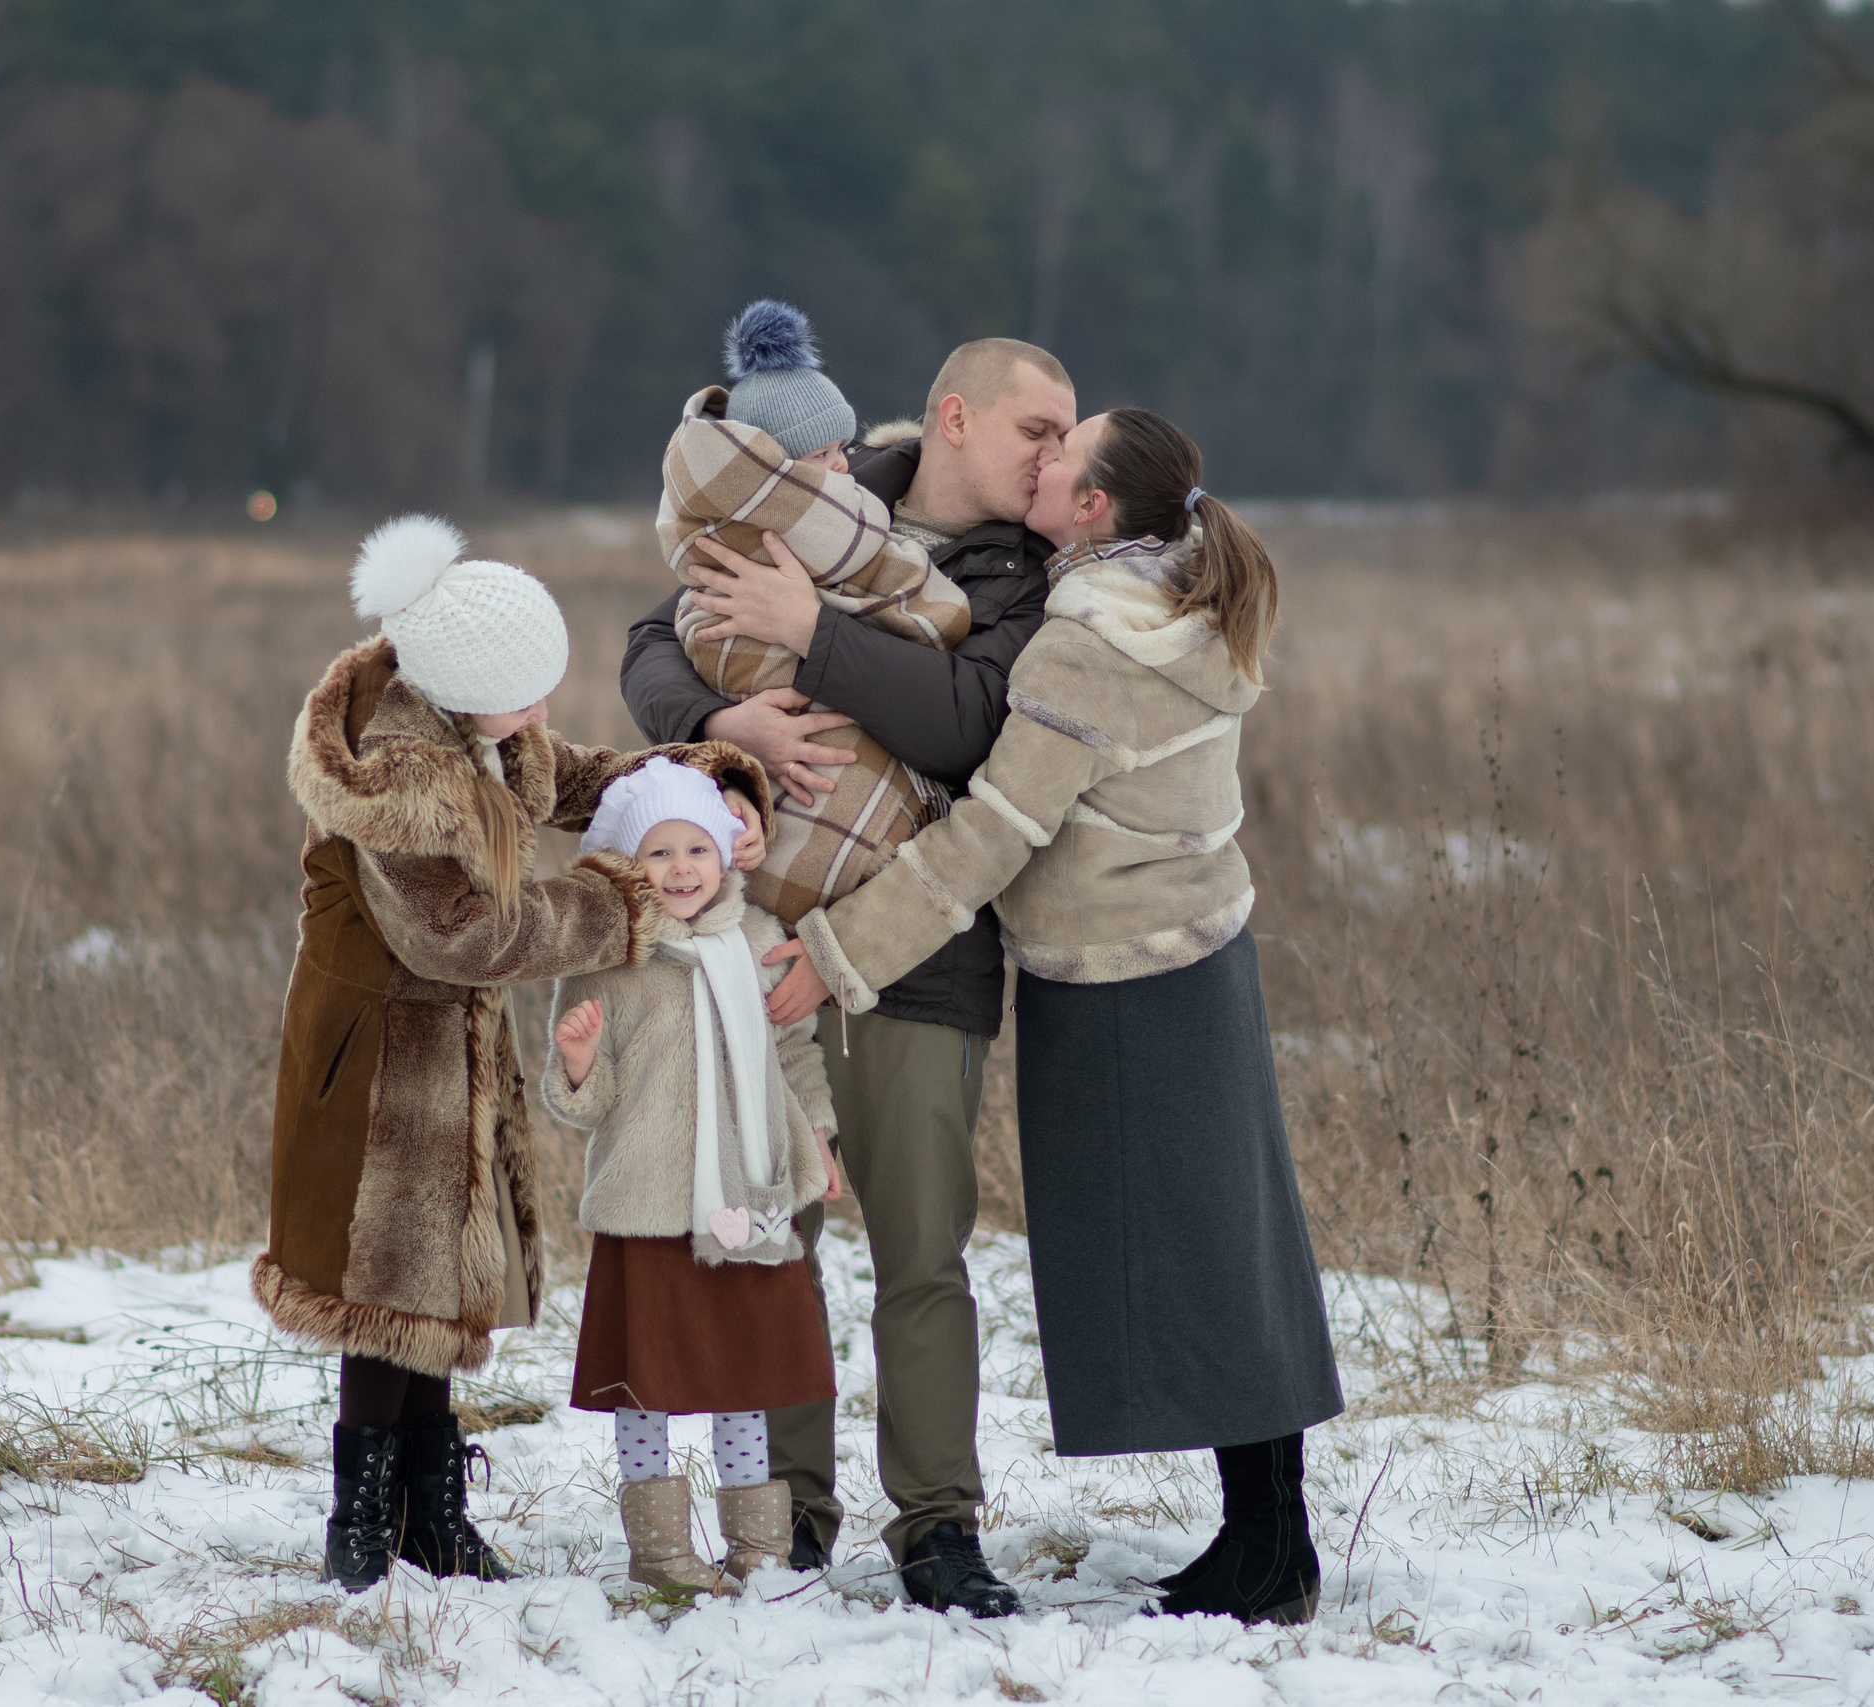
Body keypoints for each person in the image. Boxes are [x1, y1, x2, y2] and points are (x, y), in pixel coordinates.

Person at [773, 408, 1347, 1627]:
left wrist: (833, 955)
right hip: (1198, 955)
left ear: (1092, 508)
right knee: (1227, 1253)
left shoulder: (1085, 645)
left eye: (1062, 455)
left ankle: (1268, 1554)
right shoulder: (1176, 598)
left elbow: (990, 838)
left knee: (1203, 1264)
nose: (1038, 463)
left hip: (1123, 982)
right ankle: (1268, 1538)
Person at [621, 337, 1078, 1617]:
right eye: (1038, 429)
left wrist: (811, 635)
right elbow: (653, 636)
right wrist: (713, 722)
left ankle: (937, 1526)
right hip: (758, 947)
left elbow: (970, 722)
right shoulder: (812, 493)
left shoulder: (1028, 574)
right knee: (775, 1243)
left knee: (922, 1254)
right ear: (955, 417)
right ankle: (789, 1516)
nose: (1055, 457)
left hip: (918, 955)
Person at [261, 514, 766, 1592]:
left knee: (445, 1279)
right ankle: (364, 1517)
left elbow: (571, 778)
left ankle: (432, 1513)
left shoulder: (479, 721)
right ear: (461, 686)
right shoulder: (399, 777)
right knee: (387, 1288)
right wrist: (622, 901)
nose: (541, 713)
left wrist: (693, 781)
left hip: (453, 1044)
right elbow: (460, 933)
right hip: (380, 1056)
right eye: (526, 696)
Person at [540, 757, 844, 1596]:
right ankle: (661, 1549)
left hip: (745, 1198)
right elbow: (583, 1102)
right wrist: (578, 1060)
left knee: (744, 1374)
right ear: (629, 865)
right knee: (649, 1383)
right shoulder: (608, 957)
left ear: (724, 853)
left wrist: (818, 1137)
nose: (681, 869)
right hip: (649, 1204)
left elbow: (793, 1052)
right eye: (660, 853)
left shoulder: (757, 940)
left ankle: (757, 1545)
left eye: (697, 849)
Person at [657, 300, 972, 924]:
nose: (843, 466)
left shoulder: (712, 518)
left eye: (843, 447)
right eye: (821, 455)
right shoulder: (815, 526)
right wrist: (719, 724)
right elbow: (936, 612)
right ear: (773, 472)